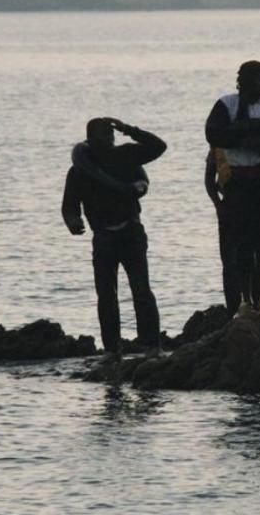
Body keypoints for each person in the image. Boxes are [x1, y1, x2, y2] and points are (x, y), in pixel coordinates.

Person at [62, 117, 167, 357]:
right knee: (106, 295)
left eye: (110, 135)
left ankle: (151, 345)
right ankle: (112, 348)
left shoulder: (126, 155)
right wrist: (73, 221)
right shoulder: (79, 170)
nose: (108, 140)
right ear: (89, 140)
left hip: (131, 233)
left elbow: (158, 146)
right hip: (103, 238)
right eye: (102, 136)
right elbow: (69, 206)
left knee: (141, 290)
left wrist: (129, 130)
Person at [205, 61, 260, 317]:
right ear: (245, 79)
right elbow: (215, 134)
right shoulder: (227, 104)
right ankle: (244, 300)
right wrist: (254, 137)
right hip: (238, 183)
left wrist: (247, 133)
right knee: (243, 244)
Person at [204, 147, 240, 316]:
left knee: (256, 256)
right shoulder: (218, 146)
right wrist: (218, 204)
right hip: (229, 205)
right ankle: (233, 308)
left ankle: (257, 302)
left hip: (255, 202)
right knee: (230, 261)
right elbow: (209, 178)